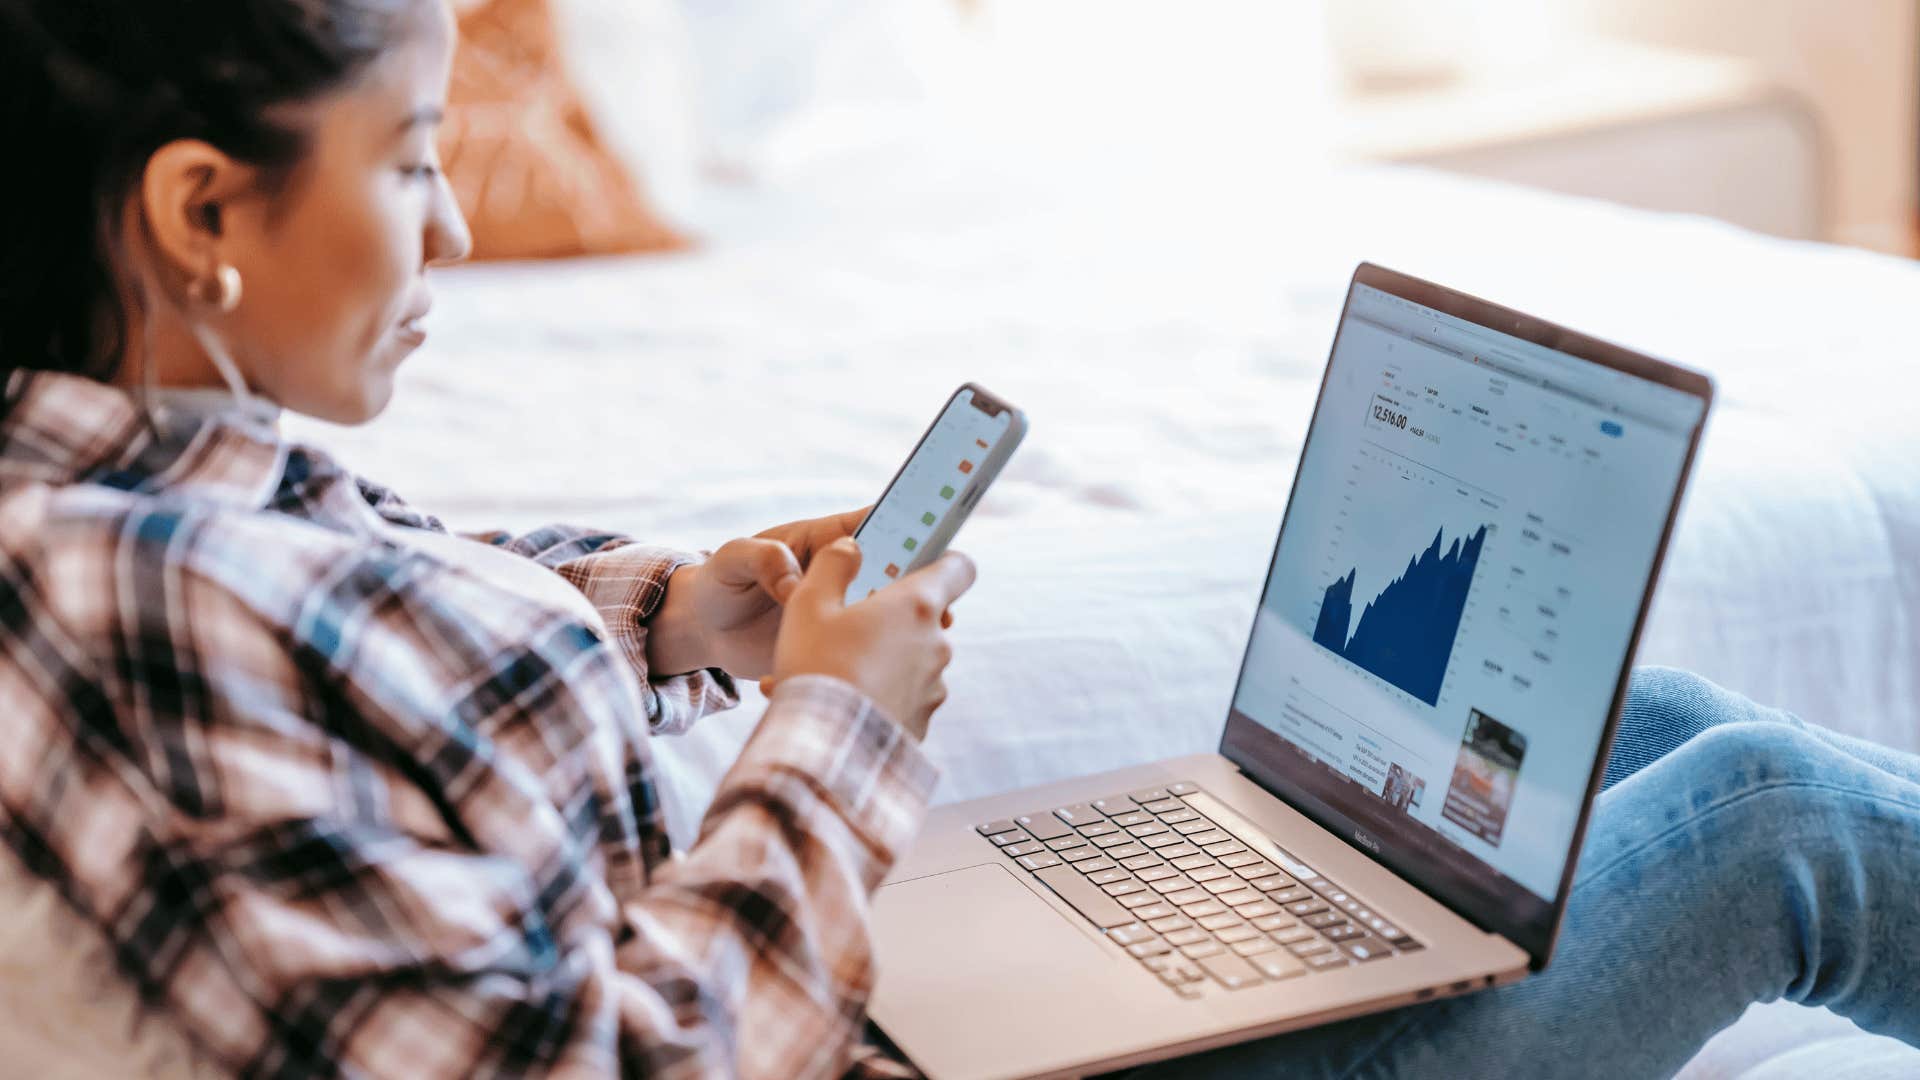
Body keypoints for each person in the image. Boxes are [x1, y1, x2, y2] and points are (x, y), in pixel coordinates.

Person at [0, 2, 1914, 1078]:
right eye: (412, 161)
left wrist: (679, 608)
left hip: (882, 1000)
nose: (460, 231)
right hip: (838, 1035)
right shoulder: (136, 595)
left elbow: (375, 618)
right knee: (1766, 825)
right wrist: (835, 734)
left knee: (1634, 719)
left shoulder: (135, 493)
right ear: (199, 211)